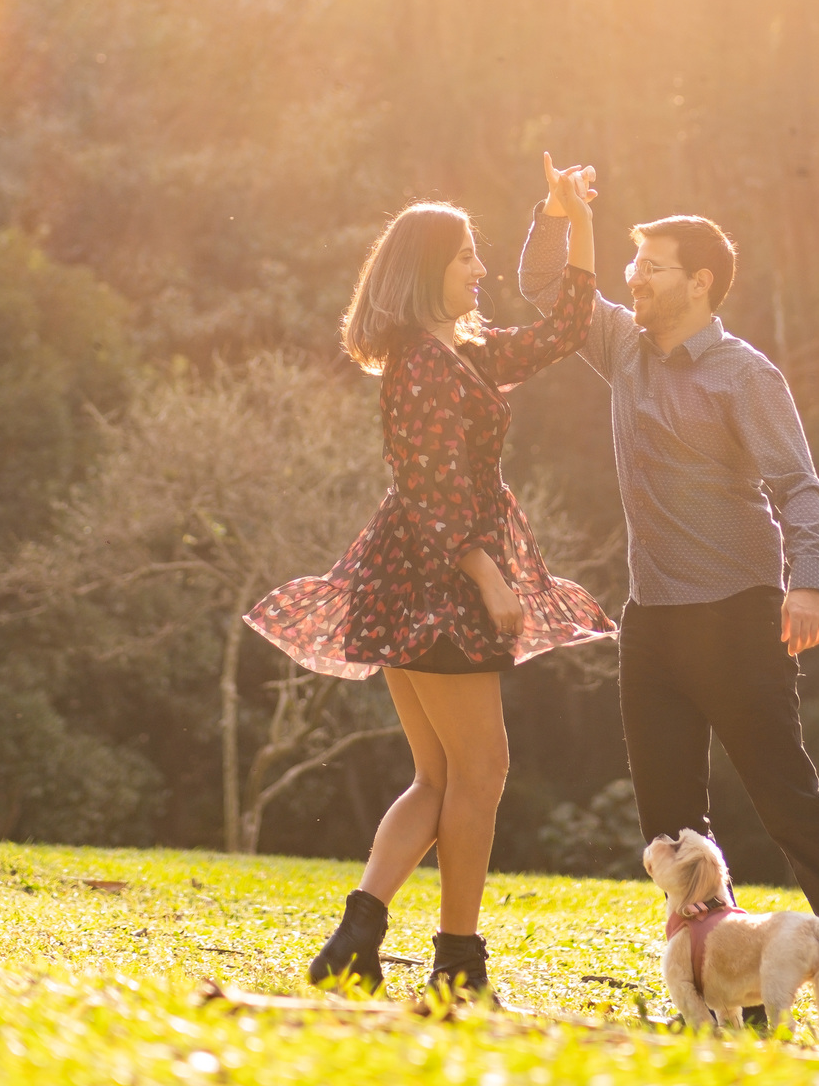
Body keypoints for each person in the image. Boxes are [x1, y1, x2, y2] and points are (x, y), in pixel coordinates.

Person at [518, 156, 819, 1027]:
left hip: (737, 615)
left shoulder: (744, 375)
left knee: (786, 802)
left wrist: (805, 588)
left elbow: (802, 491)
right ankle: (714, 992)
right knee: (669, 833)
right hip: (651, 622)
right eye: (631, 266)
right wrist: (561, 214)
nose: (632, 279)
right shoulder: (620, 345)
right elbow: (546, 284)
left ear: (698, 282)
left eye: (649, 267)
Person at [246, 178, 614, 1000]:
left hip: (416, 578)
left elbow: (565, 330)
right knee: (481, 771)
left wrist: (573, 222)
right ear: (427, 271)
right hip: (436, 582)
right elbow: (428, 485)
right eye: (466, 257)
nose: (479, 270)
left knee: (441, 777)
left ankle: (357, 939)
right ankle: (455, 960)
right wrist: (487, 576)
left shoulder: (463, 351)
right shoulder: (420, 366)